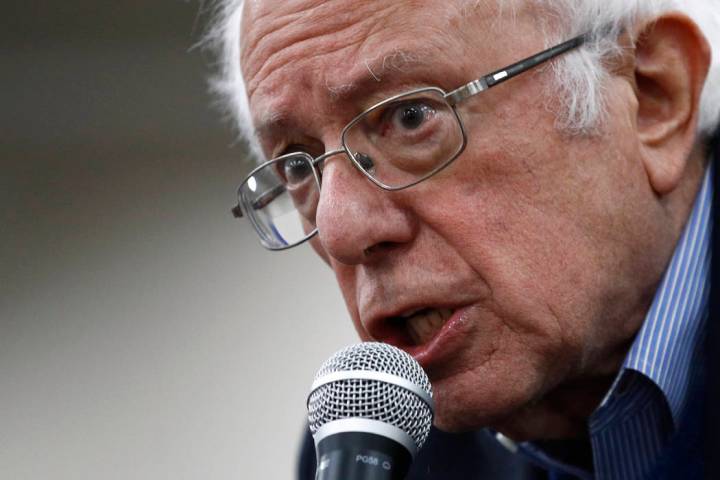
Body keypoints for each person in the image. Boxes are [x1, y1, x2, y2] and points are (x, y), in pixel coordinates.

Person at [207, 0, 719, 478]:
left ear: (654, 94)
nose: (341, 230)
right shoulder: (377, 448)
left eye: (411, 117)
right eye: (298, 165)